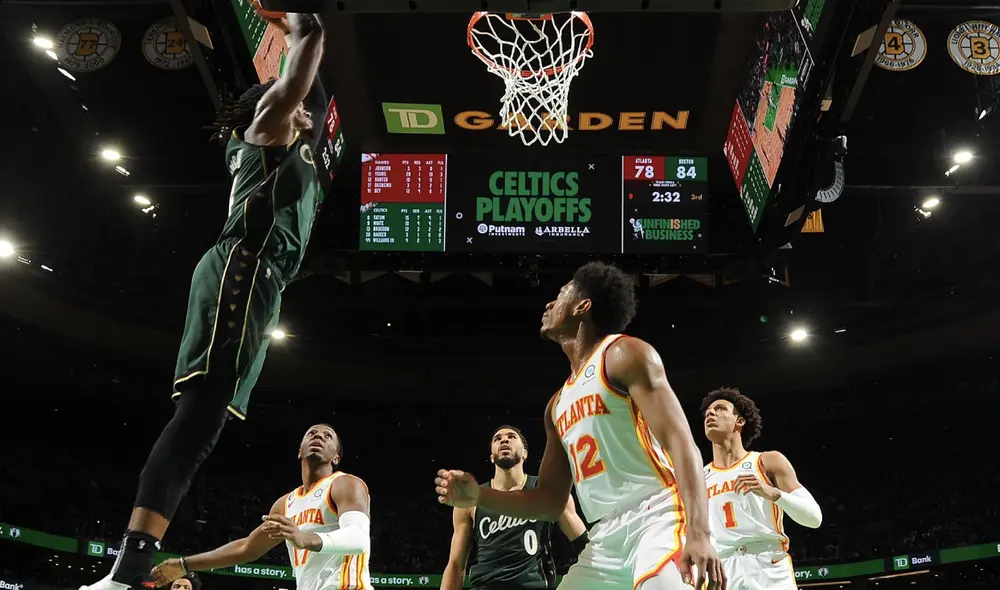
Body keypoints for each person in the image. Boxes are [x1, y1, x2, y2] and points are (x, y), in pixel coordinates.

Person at [81, 12, 335, 590]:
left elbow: (314, 92)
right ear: (267, 106)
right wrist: (300, 22)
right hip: (241, 269)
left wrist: (295, 42)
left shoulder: (288, 142)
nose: (307, 111)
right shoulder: (266, 130)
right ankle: (128, 571)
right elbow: (313, 46)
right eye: (293, 99)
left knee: (204, 424)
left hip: (254, 281)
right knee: (197, 417)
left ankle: (129, 568)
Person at [435, 262, 726, 590]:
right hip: (604, 537)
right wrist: (478, 495)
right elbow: (548, 501)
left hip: (657, 515)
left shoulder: (624, 354)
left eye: (559, 296)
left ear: (583, 306)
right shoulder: (557, 405)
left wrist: (701, 534)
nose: (548, 304)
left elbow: (681, 443)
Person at [151, 424, 372, 590]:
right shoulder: (285, 504)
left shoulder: (345, 484)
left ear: (336, 457)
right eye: (312, 433)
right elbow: (246, 548)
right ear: (299, 450)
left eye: (328, 436)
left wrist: (305, 538)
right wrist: (185, 564)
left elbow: (359, 539)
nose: (319, 437)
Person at [701, 388, 822, 590]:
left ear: (740, 421)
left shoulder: (767, 461)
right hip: (722, 569)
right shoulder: (699, 477)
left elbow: (814, 518)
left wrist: (774, 494)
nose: (710, 413)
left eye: (720, 409)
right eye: (708, 412)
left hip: (768, 565)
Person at [441, 425, 589, 589]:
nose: (504, 439)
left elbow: (584, 545)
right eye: (497, 439)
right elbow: (455, 565)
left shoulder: (548, 493)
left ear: (525, 453)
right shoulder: (471, 501)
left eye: (511, 437)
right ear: (491, 456)